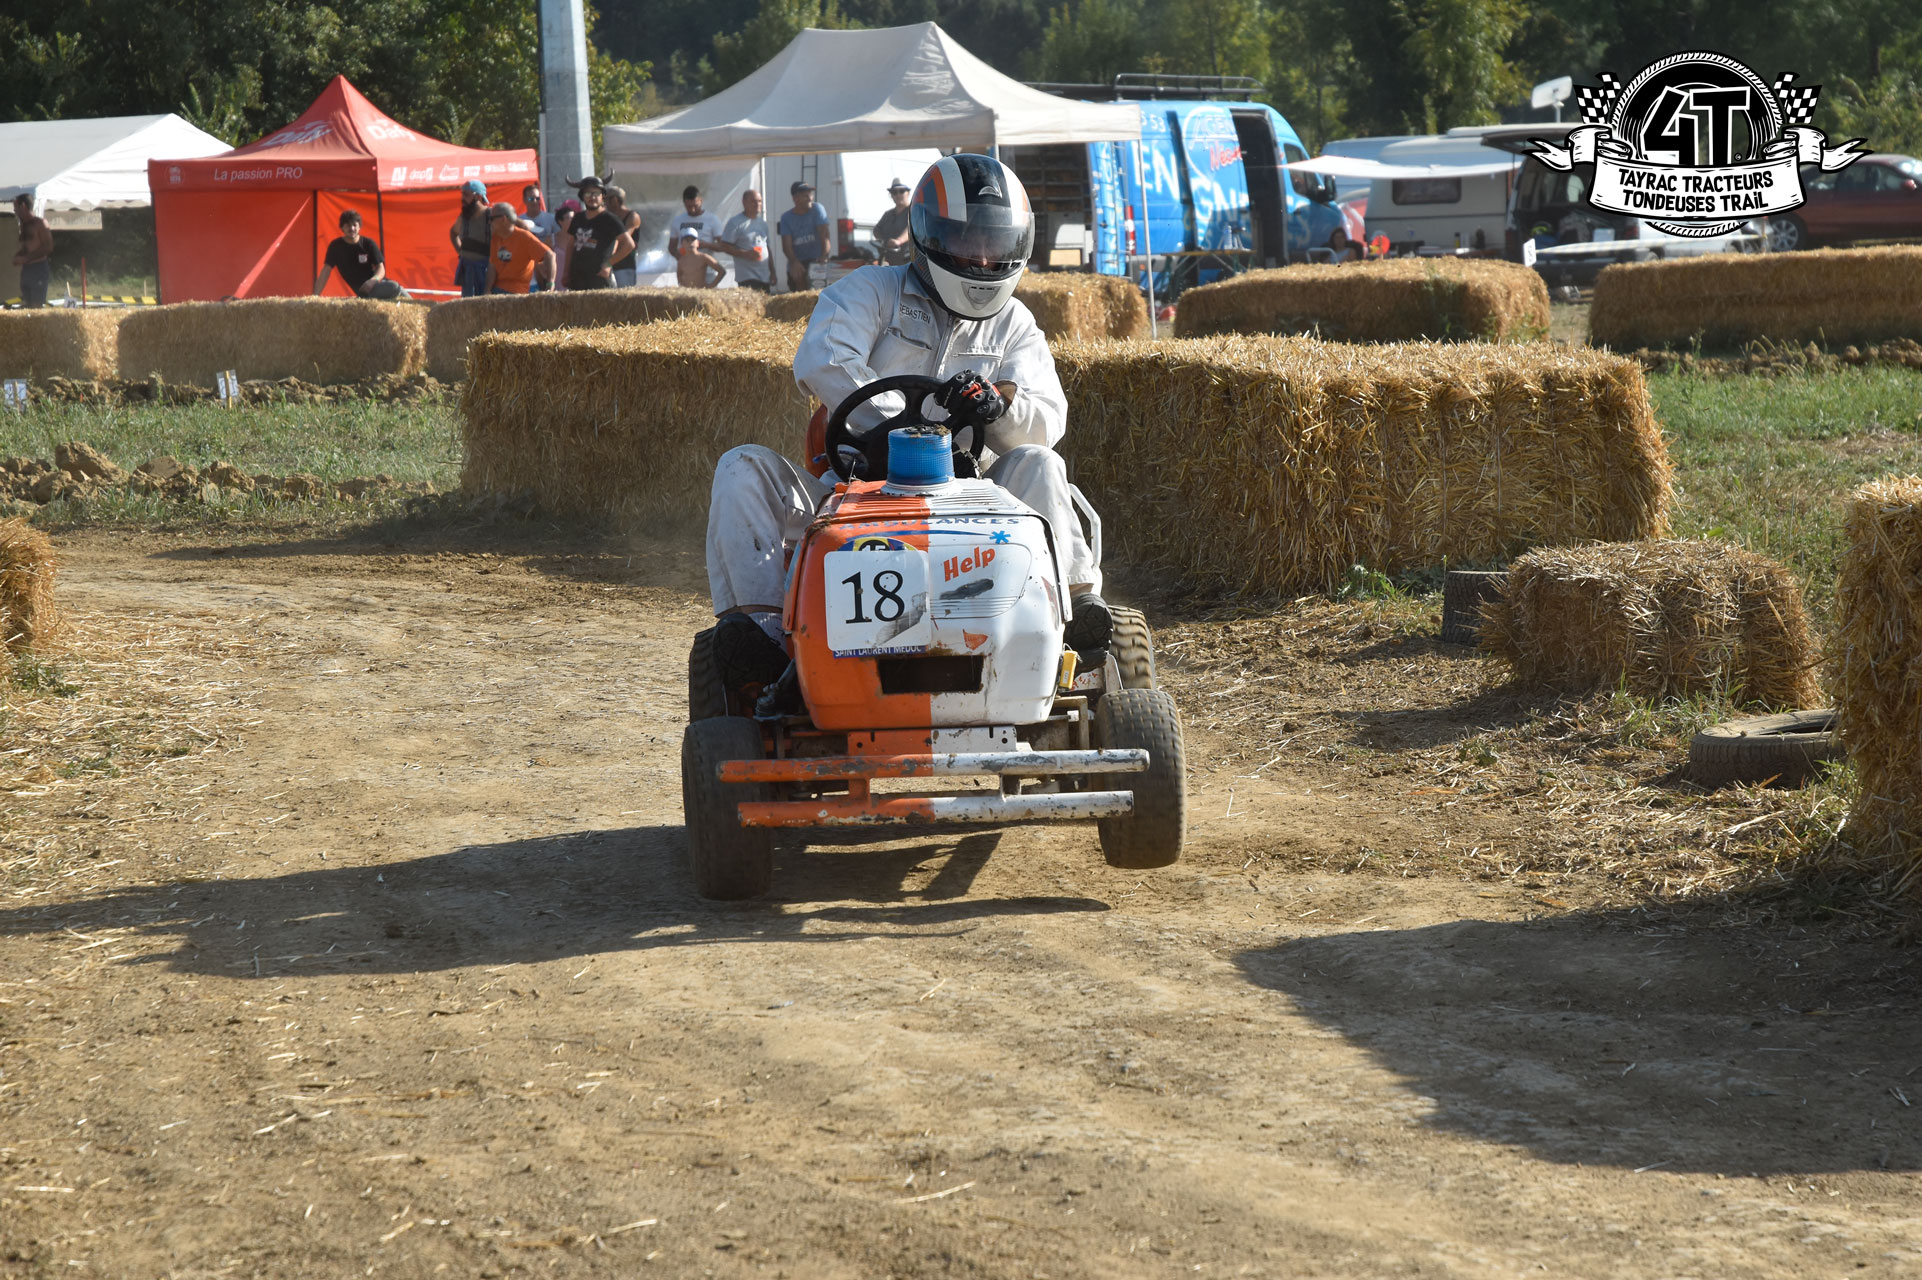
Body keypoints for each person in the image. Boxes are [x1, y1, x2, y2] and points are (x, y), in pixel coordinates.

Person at [704, 153, 1110, 700]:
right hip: (855, 490)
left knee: (1041, 462)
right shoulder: (872, 290)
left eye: (994, 245)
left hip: (977, 502)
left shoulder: (1015, 324)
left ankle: (1076, 623)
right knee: (742, 465)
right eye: (968, 242)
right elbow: (822, 358)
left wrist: (998, 411)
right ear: (928, 234)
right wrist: (903, 424)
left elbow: (1048, 418)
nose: (984, 261)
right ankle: (766, 642)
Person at [313, 209, 409, 299]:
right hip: (364, 292)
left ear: (359, 226)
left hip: (376, 284)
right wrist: (315, 296)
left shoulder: (368, 243)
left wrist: (372, 281)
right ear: (342, 227)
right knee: (394, 287)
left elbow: (381, 268)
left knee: (397, 288)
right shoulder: (336, 246)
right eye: (348, 225)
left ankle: (420, 311)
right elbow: (326, 271)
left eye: (354, 225)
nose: (352, 228)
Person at [564, 179, 634, 291]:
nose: (592, 197)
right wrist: (566, 272)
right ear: (582, 196)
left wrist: (608, 264)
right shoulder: (578, 218)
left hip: (599, 279)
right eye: (588, 193)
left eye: (596, 193)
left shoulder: (610, 219)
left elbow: (629, 244)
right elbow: (570, 246)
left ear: (602, 196)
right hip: (577, 278)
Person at [485, 203, 556, 294]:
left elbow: (550, 255)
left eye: (491, 219)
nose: (489, 222)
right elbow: (492, 266)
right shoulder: (495, 238)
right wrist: (487, 291)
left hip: (517, 292)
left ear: (503, 219)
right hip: (497, 290)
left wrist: (550, 284)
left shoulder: (524, 237)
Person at [777, 180, 831, 292]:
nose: (810, 198)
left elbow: (825, 235)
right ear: (795, 199)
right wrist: (794, 262)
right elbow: (786, 246)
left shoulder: (818, 209)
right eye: (805, 195)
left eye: (810, 194)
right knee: (797, 277)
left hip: (816, 259)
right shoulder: (786, 218)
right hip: (798, 259)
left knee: (819, 290)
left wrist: (824, 256)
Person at [715, 189, 771, 292]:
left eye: (759, 201)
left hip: (764, 276)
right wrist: (746, 254)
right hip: (747, 277)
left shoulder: (762, 223)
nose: (757, 204)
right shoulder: (735, 222)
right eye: (753, 201)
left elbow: (767, 248)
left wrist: (773, 272)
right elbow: (724, 246)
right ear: (744, 202)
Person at [449, 179, 493, 297]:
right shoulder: (464, 217)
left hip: (486, 271)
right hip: (467, 270)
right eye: (462, 194)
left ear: (478, 197)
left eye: (466, 195)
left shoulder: (491, 215)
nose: (462, 198)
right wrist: (460, 251)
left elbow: (514, 223)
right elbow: (453, 233)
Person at [12, 195, 53, 308]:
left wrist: (26, 258)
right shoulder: (23, 226)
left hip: (38, 268)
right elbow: (27, 247)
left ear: (23, 206)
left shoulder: (40, 223)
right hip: (26, 269)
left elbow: (48, 247)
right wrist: (18, 256)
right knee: (27, 304)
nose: (14, 211)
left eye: (16, 208)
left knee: (36, 305)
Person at [669, 185, 725, 260]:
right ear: (684, 203)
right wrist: (681, 257)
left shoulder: (712, 219)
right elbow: (672, 247)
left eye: (695, 206)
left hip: (707, 268)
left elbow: (723, 246)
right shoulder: (677, 221)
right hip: (687, 269)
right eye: (689, 206)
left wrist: (705, 244)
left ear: (701, 201)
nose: (693, 210)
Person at [604, 184, 643, 287]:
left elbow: (624, 239)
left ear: (615, 200)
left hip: (625, 265)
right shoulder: (608, 217)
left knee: (624, 296)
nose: (604, 204)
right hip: (609, 264)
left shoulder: (632, 217)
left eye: (606, 200)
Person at [871, 177, 913, 265]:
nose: (898, 195)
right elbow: (876, 230)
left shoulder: (914, 211)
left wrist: (899, 241)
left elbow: (911, 228)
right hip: (888, 263)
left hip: (908, 264)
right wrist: (884, 241)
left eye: (901, 191)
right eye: (894, 192)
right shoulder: (888, 214)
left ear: (908, 193)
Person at [552, 198, 582, 291]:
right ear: (560, 221)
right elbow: (540, 260)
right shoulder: (551, 239)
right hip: (557, 283)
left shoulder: (580, 238)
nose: (573, 221)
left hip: (576, 282)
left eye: (574, 218)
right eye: (569, 218)